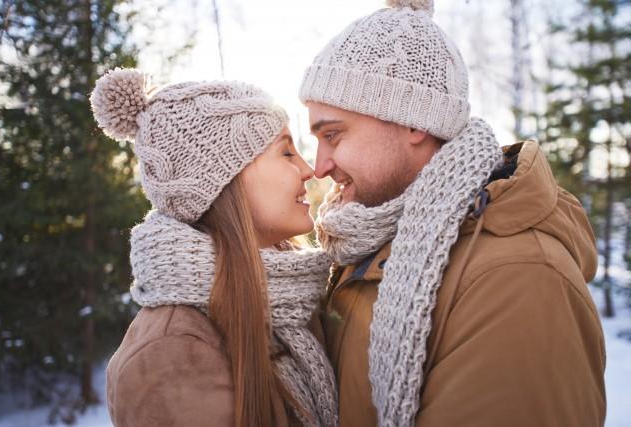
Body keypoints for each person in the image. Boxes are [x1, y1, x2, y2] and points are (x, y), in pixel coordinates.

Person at [298, 1, 606, 426]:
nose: (320, 166)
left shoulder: (517, 279)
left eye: (333, 134)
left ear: (412, 123)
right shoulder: (367, 247)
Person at [90, 68, 338, 427]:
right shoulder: (169, 354)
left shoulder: (294, 298)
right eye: (286, 152)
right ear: (227, 180)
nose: (308, 170)